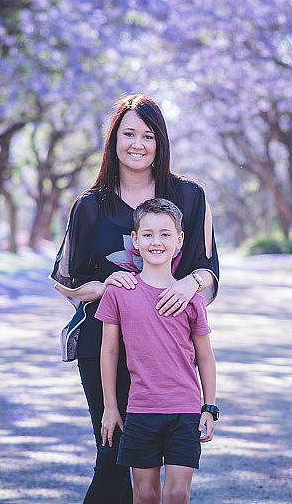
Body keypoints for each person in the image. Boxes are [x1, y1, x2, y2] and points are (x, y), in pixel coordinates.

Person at [50, 94, 219, 503]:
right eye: (128, 134)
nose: (137, 144)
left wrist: (189, 283)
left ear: (160, 141)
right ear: (114, 140)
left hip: (167, 349)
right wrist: (107, 286)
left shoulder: (190, 197)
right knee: (111, 457)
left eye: (148, 135)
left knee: (166, 473)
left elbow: (210, 270)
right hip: (104, 344)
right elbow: (67, 283)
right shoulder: (89, 206)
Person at [96, 198, 217, 504]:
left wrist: (209, 407)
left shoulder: (191, 299)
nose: (156, 242)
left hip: (185, 410)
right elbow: (109, 352)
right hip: (141, 410)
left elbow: (205, 357)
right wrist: (110, 406)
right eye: (148, 234)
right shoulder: (119, 292)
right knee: (145, 494)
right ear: (135, 240)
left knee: (177, 494)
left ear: (179, 240)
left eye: (165, 234)